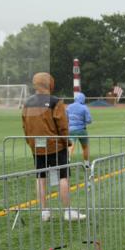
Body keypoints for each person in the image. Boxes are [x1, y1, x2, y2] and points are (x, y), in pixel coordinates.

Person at [23, 73, 84, 222]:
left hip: (36, 146)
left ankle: (45, 211)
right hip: (56, 145)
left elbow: (25, 126)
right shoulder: (55, 102)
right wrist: (67, 142)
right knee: (63, 177)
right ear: (50, 84)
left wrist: (31, 143)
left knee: (40, 178)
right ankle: (68, 211)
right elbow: (63, 126)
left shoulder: (27, 103)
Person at [66, 91, 93, 163]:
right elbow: (89, 120)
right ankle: (86, 163)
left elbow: (66, 118)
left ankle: (67, 159)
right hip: (82, 130)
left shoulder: (69, 107)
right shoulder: (84, 107)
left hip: (71, 129)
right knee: (85, 147)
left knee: (70, 146)